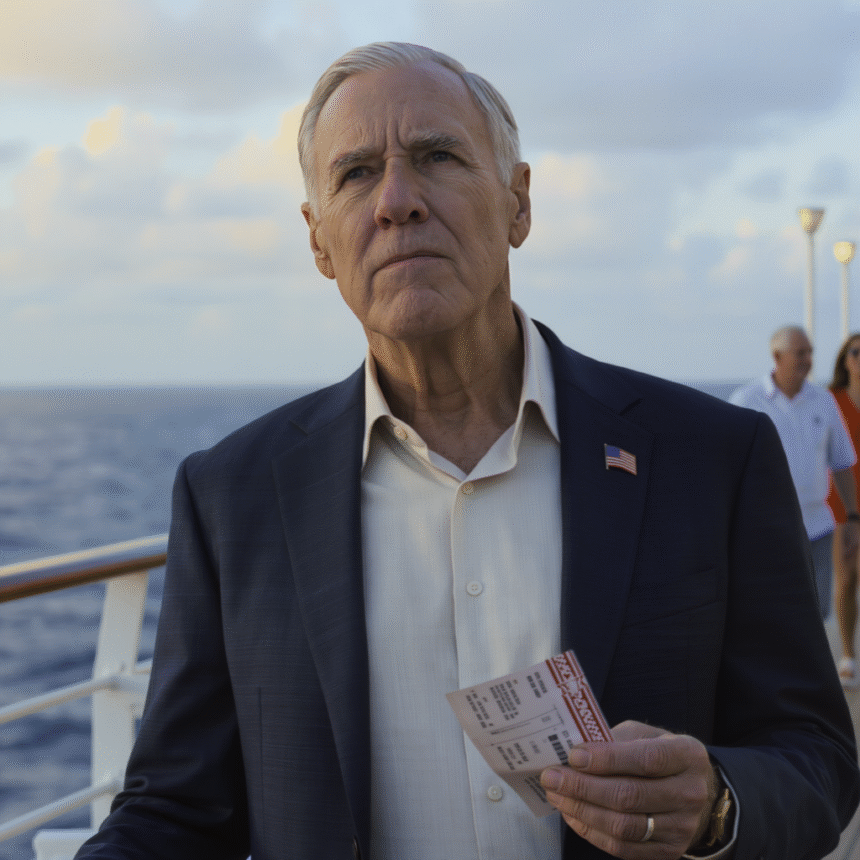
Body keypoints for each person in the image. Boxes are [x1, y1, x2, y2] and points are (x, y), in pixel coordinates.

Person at [76, 44, 858, 860]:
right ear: (319, 243)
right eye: (356, 175)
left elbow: (818, 761)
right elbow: (176, 809)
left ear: (519, 203)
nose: (398, 202)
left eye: (437, 157)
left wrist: (718, 804)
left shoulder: (712, 459)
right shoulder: (232, 499)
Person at [730, 325, 860, 620]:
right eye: (800, 353)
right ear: (777, 356)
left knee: (817, 613)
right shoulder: (747, 400)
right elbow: (727, 463)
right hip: (765, 529)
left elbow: (842, 464)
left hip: (818, 528)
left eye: (810, 352)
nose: (808, 360)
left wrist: (853, 518)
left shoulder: (823, 400)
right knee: (769, 613)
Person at [827, 333, 860, 686]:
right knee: (847, 578)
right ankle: (848, 656)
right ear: (845, 360)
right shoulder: (830, 401)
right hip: (842, 505)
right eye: (856, 352)